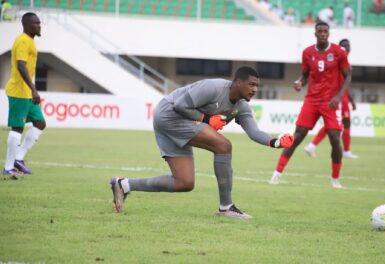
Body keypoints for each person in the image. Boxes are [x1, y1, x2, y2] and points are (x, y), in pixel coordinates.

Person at [110, 67, 294, 219]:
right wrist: (207, 119)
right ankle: (226, 207)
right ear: (238, 82)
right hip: (168, 114)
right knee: (223, 146)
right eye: (251, 84)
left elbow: (254, 132)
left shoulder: (242, 106)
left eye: (257, 86)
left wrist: (276, 142)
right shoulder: (214, 88)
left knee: (184, 182)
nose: (255, 89)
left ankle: (124, 184)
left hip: (177, 121)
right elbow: (179, 105)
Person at [269, 22, 351, 189]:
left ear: (329, 34)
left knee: (335, 138)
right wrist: (300, 82)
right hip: (312, 100)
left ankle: (335, 179)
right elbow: (305, 75)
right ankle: (276, 174)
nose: (322, 34)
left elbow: (348, 76)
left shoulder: (338, 52)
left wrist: (338, 96)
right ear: (315, 34)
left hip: (331, 102)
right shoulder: (307, 53)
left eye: (325, 31)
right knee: (297, 136)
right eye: (319, 31)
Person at [2, 12, 45, 179]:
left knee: (40, 123)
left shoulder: (30, 41)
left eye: (39, 23)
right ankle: (8, 167)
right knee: (17, 128)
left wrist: (32, 90)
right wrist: (33, 88)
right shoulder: (22, 41)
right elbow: (21, 66)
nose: (39, 25)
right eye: (35, 23)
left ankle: (18, 158)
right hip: (19, 91)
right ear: (26, 24)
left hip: (27, 92)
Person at [304, 39, 358, 160]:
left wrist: (351, 99)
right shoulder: (337, 60)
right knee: (341, 123)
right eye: (343, 45)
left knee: (336, 124)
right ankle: (346, 151)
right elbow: (340, 82)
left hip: (341, 97)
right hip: (337, 98)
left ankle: (312, 146)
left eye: (348, 45)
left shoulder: (342, 60)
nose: (346, 47)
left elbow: (344, 82)